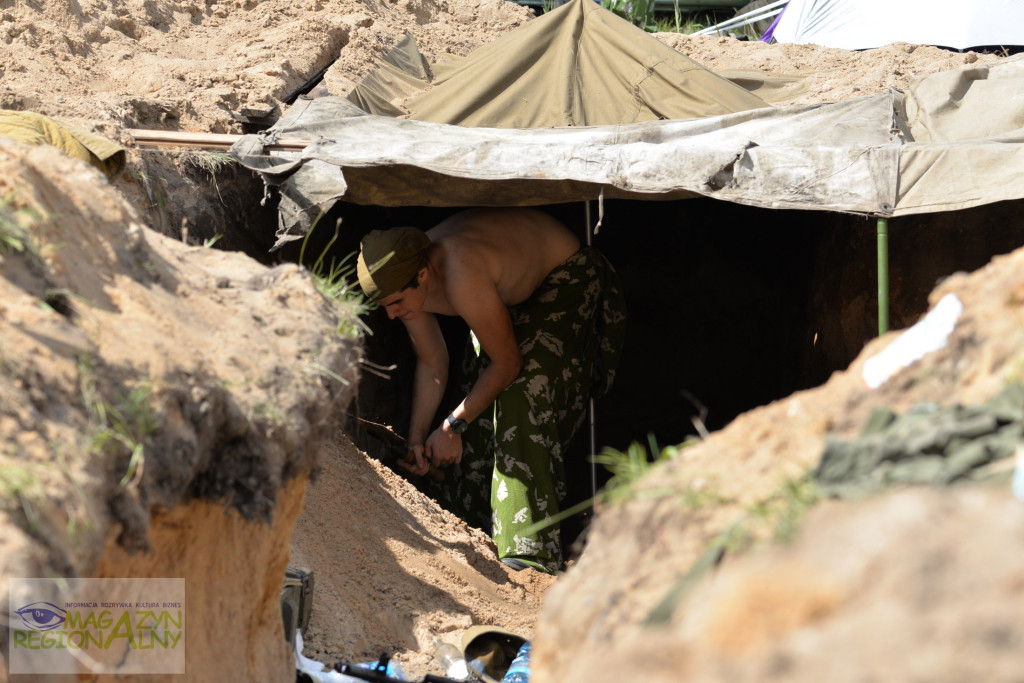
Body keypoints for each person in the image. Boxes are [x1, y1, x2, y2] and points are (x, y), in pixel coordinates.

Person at [357, 208, 626, 573]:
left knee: (521, 396)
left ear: (422, 276)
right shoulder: (402, 282)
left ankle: (528, 552)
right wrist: (418, 438)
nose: (390, 314)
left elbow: (508, 364)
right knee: (476, 398)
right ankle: (473, 529)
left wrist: (452, 426)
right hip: (505, 290)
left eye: (395, 304)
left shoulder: (460, 271)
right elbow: (432, 362)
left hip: (564, 277)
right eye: (384, 306)